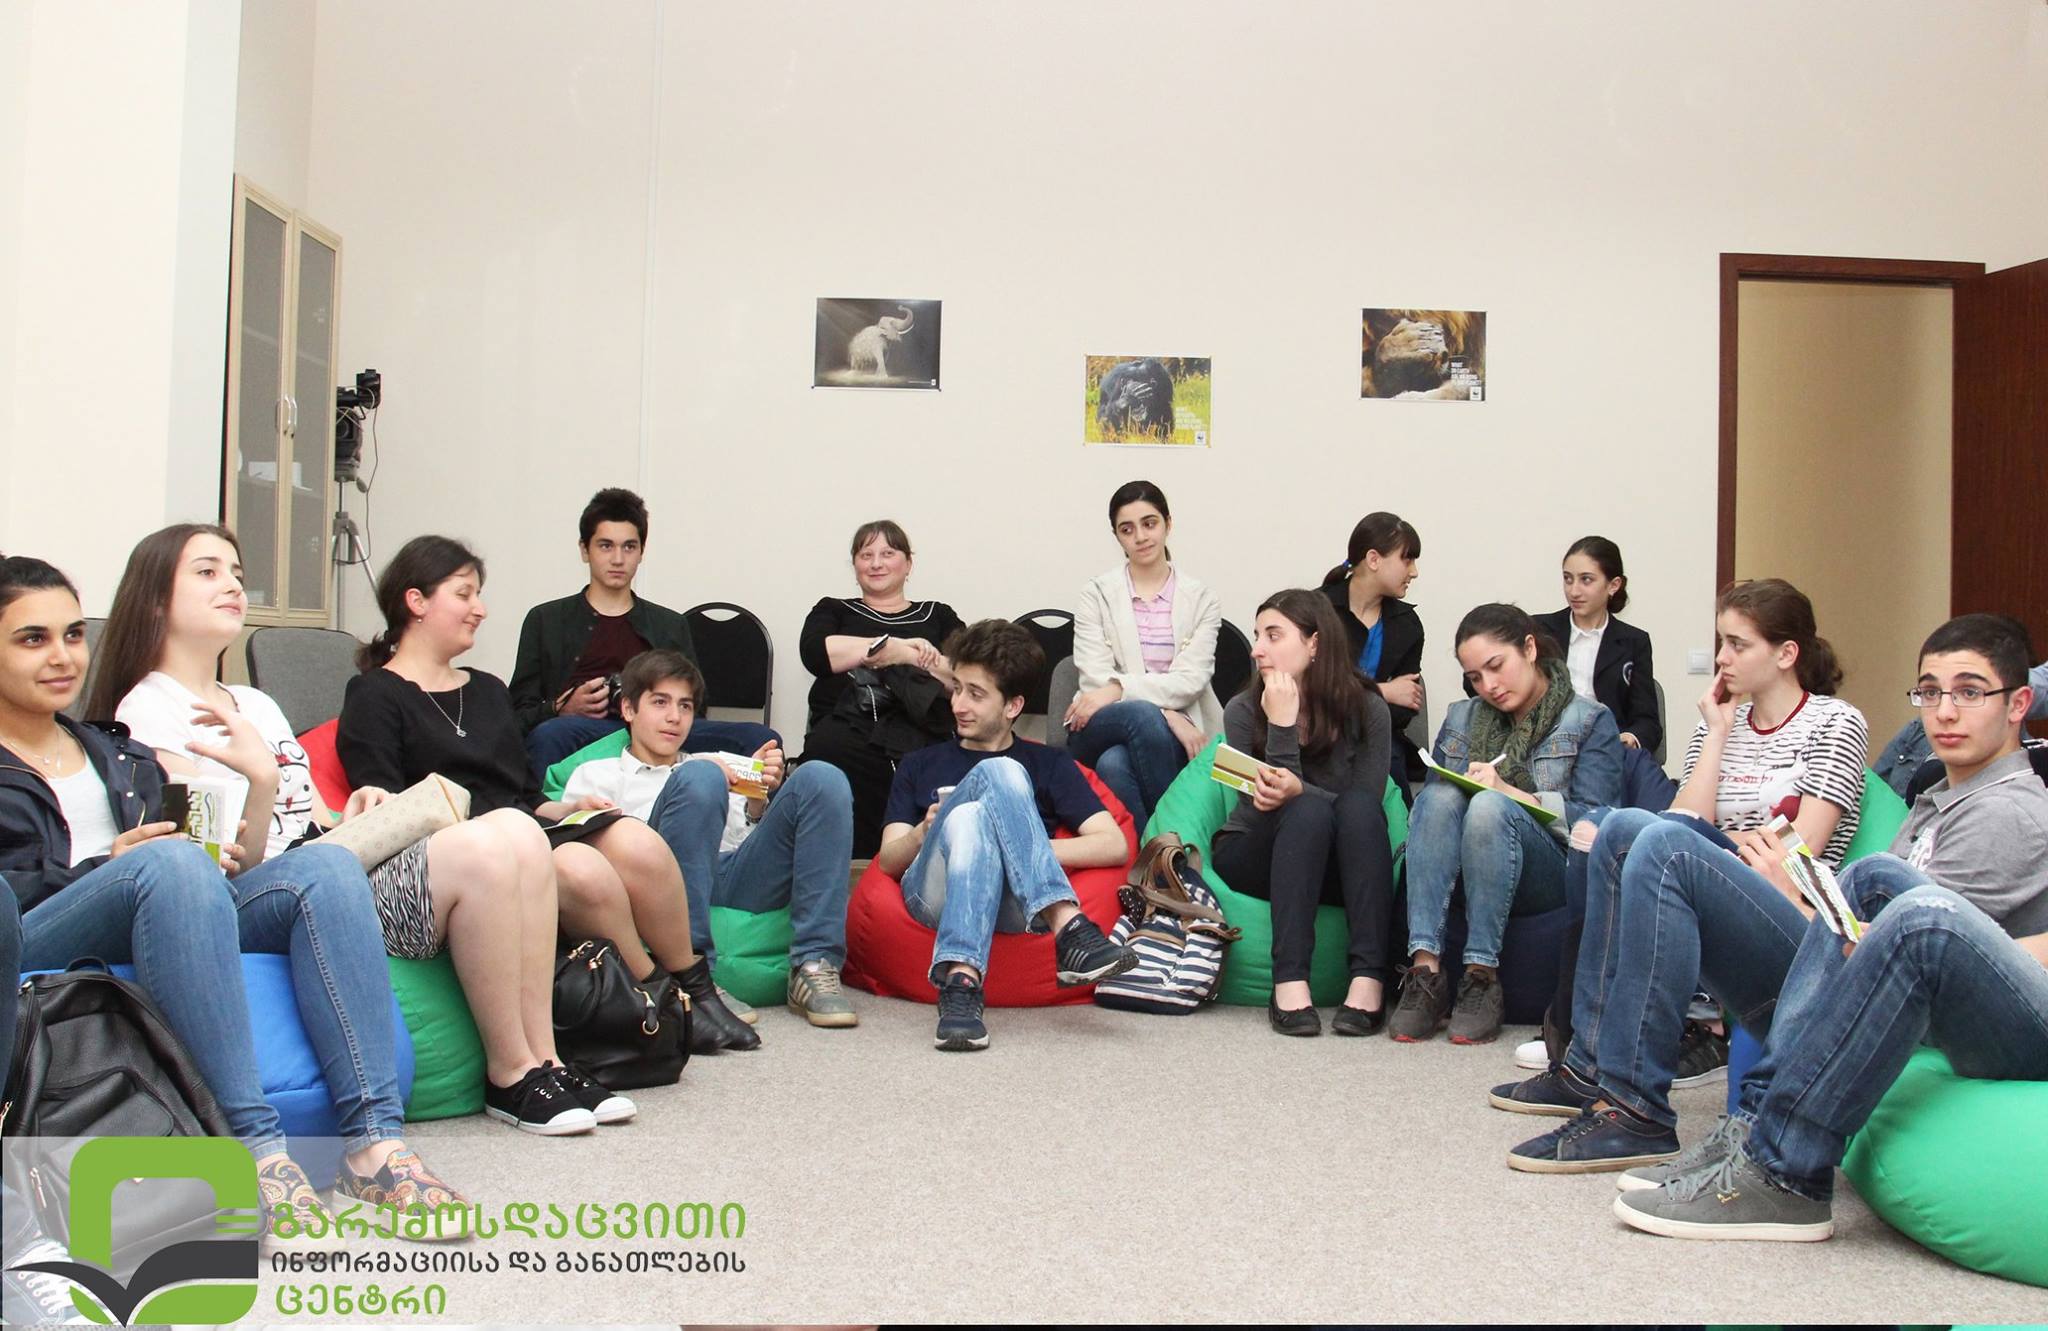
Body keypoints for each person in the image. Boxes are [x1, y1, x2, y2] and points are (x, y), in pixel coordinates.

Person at [0, 555, 466, 1229]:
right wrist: (106, 865)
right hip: (38, 928)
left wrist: (239, 813)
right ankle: (252, 1150)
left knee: (327, 869)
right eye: (32, 639)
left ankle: (374, 1144)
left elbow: (206, 862)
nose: (63, 655)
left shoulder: (115, 750)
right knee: (170, 863)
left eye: (73, 634)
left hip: (160, 899)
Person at [1608, 614, 2047, 1240]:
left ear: (2018, 705)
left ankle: (1787, 1172)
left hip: (2010, 1020)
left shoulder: (2009, 811)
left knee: (1914, 914)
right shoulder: (1939, 796)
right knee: (1867, 875)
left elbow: (1923, 953)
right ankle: (1749, 1124)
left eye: (1970, 692)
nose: (1945, 711)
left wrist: (1802, 903)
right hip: (1932, 986)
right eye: (1930, 692)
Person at [337, 535, 758, 1071]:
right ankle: (661, 996)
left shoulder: (487, 690)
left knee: (631, 836)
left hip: (523, 827)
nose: (480, 609)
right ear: (416, 602)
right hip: (455, 851)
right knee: (581, 867)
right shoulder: (375, 693)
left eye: (478, 595)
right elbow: (385, 807)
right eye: (465, 594)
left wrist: (567, 808)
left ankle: (698, 988)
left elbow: (523, 792)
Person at [1499, 579, 1872, 1173]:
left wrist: (1718, 844)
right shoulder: (1719, 721)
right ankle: (1587, 1068)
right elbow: (1683, 819)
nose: (1721, 658)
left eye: (1738, 645)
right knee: (1620, 827)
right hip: (1721, 881)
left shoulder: (1835, 721)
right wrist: (1719, 733)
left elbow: (1803, 848)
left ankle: (1637, 1108)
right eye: (1720, 642)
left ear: (1786, 653)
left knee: (1650, 836)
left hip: (1793, 913)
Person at [556, 648, 859, 1028]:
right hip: (655, 888)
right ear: (629, 709)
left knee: (823, 777)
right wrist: (696, 776)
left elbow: (742, 845)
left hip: (730, 875)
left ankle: (814, 964)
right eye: (660, 702)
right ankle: (696, 975)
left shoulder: (715, 766)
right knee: (699, 778)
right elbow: (580, 860)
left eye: (685, 706)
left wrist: (756, 803)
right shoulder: (596, 774)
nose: (674, 717)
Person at [874, 619, 1135, 1051]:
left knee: (975, 814)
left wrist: (1014, 844)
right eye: (957, 688)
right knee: (987, 788)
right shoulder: (919, 764)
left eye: (976, 695)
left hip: (1017, 904)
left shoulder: (1050, 764)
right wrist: (925, 832)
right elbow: (887, 861)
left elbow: (1113, 844)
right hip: (933, 895)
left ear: (1013, 706)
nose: (959, 704)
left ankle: (961, 985)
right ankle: (1068, 926)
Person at [1390, 603, 1623, 1046]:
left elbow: (1600, 822)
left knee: (1490, 807)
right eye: (1475, 677)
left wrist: (1513, 794)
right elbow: (1435, 820)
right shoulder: (1461, 716)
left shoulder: (1589, 719)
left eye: (1496, 667)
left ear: (1529, 648)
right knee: (1438, 797)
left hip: (1548, 869)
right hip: (1466, 863)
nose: (1489, 686)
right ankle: (1425, 974)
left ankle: (1481, 977)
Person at [1210, 589, 1395, 1036]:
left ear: (1314, 643)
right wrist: (1281, 725)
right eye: (1257, 635)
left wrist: (1300, 790)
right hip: (1257, 850)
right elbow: (1259, 808)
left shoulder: (1368, 708)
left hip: (1342, 860)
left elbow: (1366, 808)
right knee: (1306, 812)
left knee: (1352, 808)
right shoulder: (1242, 709)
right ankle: (1289, 983)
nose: (1257, 649)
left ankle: (1368, 981)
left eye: (1273, 635)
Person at [508, 487, 773, 778]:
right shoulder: (546, 619)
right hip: (580, 730)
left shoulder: (669, 624)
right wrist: (561, 707)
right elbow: (517, 716)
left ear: (641, 552)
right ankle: (545, 806)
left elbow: (696, 706)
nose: (618, 559)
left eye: (629, 547)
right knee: (549, 734)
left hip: (655, 729)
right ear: (585, 550)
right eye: (606, 546)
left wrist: (659, 708)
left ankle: (750, 806)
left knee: (760, 738)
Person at [797, 520, 963, 858]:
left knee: (943, 761)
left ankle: (912, 864)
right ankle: (845, 868)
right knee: (829, 754)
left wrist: (905, 656)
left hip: (923, 725)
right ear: (854, 565)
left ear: (908, 564)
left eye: (888, 554)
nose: (876, 563)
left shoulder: (937, 614)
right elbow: (816, 653)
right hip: (847, 723)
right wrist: (898, 647)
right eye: (866, 555)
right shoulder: (834, 609)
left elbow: (964, 674)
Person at [1064, 480, 1223, 829]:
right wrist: (1166, 713)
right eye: (1127, 529)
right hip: (1097, 724)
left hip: (1178, 734)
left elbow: (1191, 680)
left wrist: (1120, 688)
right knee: (1142, 717)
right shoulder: (1096, 594)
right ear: (1117, 536)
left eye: (1149, 523)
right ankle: (1177, 841)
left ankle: (1150, 857)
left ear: (1168, 523)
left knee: (1115, 764)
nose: (1140, 536)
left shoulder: (1201, 599)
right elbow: (1094, 679)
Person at [1318, 512, 1426, 789]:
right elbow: (1310, 691)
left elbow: (1405, 706)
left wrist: (1346, 694)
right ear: (1374, 559)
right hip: (1317, 735)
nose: (1414, 572)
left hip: (1379, 737)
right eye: (1407, 560)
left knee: (1389, 772)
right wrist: (1383, 691)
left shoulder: (1407, 625)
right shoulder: (1317, 611)